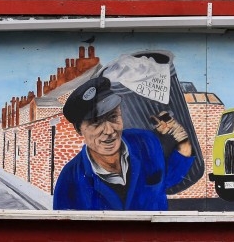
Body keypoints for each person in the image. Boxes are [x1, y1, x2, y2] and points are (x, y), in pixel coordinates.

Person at [53, 76, 194, 211]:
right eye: (96, 122)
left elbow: (168, 179)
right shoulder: (69, 181)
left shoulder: (146, 142)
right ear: (79, 129)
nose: (109, 130)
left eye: (113, 117)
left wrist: (183, 142)